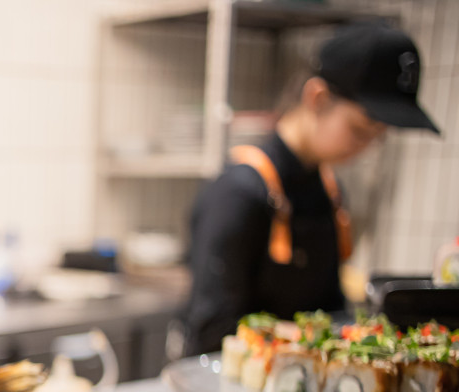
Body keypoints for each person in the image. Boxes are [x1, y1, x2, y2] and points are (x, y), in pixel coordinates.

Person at [182, 22, 441, 356]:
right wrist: (313, 336)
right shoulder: (238, 193)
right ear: (317, 97)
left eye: (379, 136)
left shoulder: (329, 192)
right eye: (361, 130)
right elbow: (212, 328)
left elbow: (330, 307)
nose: (368, 147)